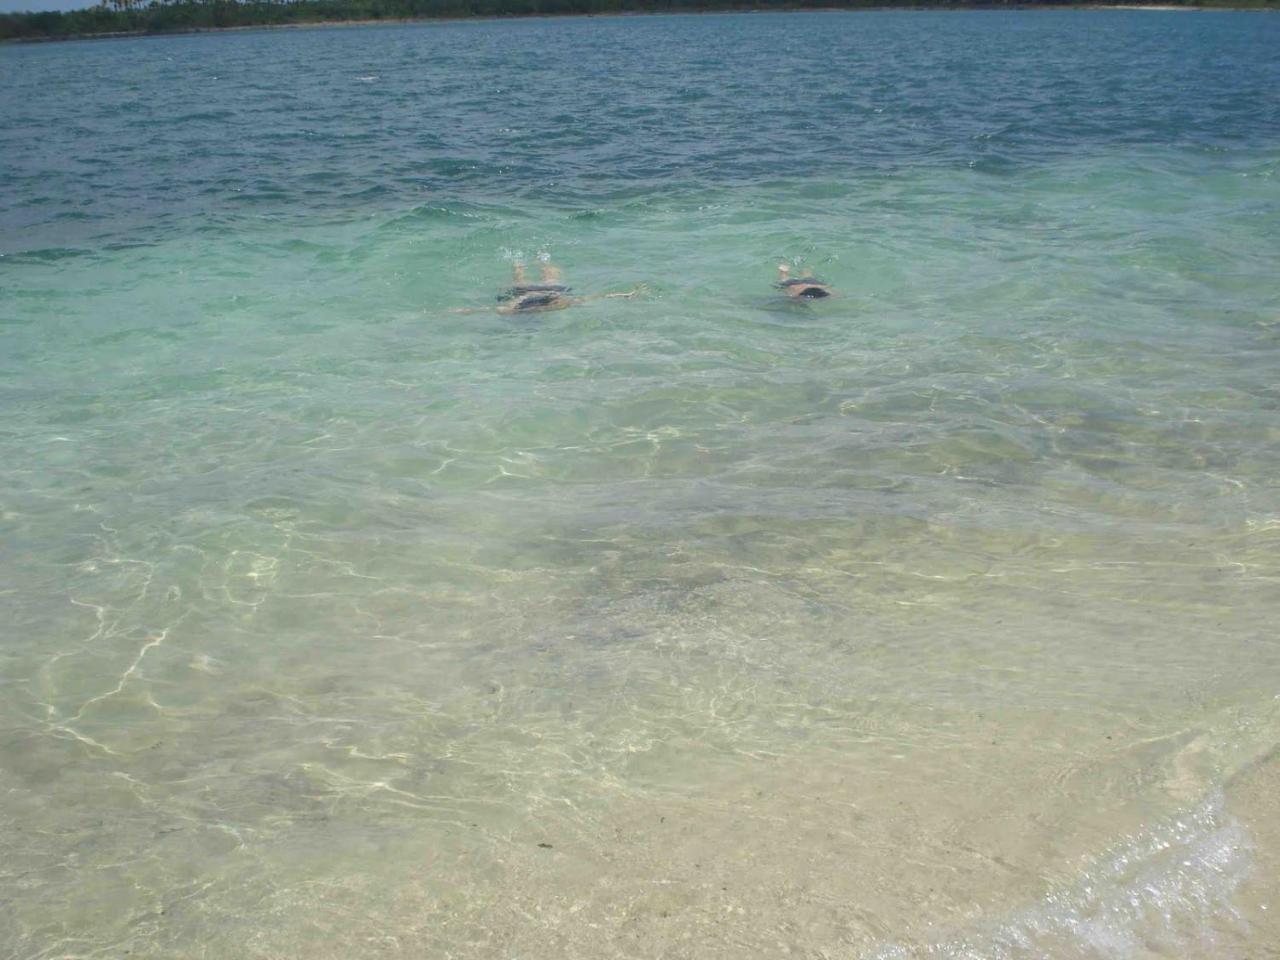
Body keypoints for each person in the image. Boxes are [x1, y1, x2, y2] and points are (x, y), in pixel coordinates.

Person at [477, 260, 641, 315]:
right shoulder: (556, 303)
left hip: (547, 290)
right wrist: (624, 294)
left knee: (546, 280)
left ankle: (524, 265)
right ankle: (531, 264)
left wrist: (624, 294)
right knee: (526, 281)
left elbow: (592, 298)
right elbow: (593, 297)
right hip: (543, 291)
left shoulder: (556, 304)